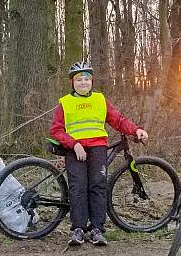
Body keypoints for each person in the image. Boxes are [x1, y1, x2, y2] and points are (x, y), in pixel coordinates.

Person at [50, 62, 148, 246]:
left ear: (92, 81)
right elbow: (56, 131)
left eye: (86, 79)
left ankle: (97, 230)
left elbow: (117, 120)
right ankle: (78, 230)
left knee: (98, 186)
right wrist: (74, 144)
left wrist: (136, 130)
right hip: (75, 151)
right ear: (72, 82)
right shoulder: (65, 103)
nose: (83, 83)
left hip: (97, 148)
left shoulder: (100, 99)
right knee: (78, 188)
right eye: (79, 79)